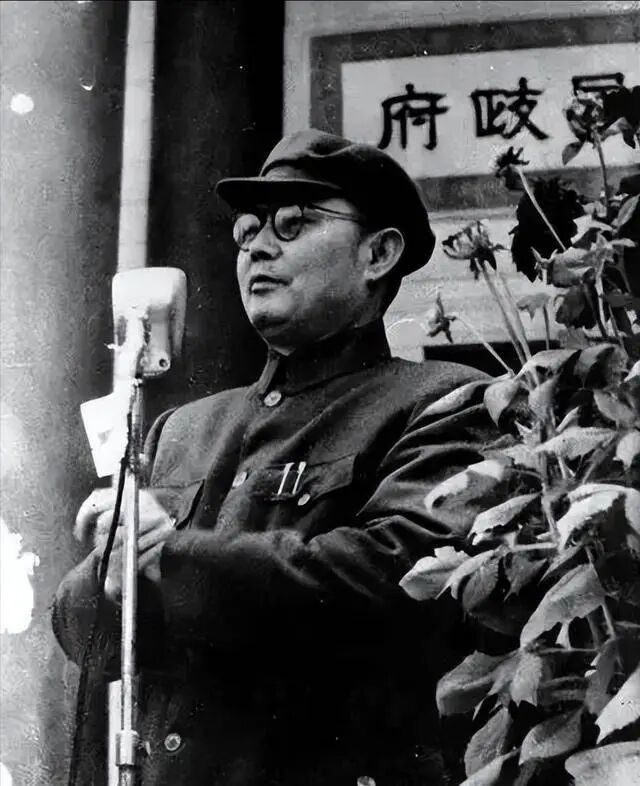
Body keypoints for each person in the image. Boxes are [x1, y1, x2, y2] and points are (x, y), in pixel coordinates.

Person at [53, 129, 492, 786]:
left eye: (293, 224)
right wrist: (110, 577)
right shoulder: (182, 430)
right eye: (246, 232)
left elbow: (399, 579)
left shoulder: (445, 401)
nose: (258, 247)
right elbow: (84, 636)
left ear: (378, 254)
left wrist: (168, 558)